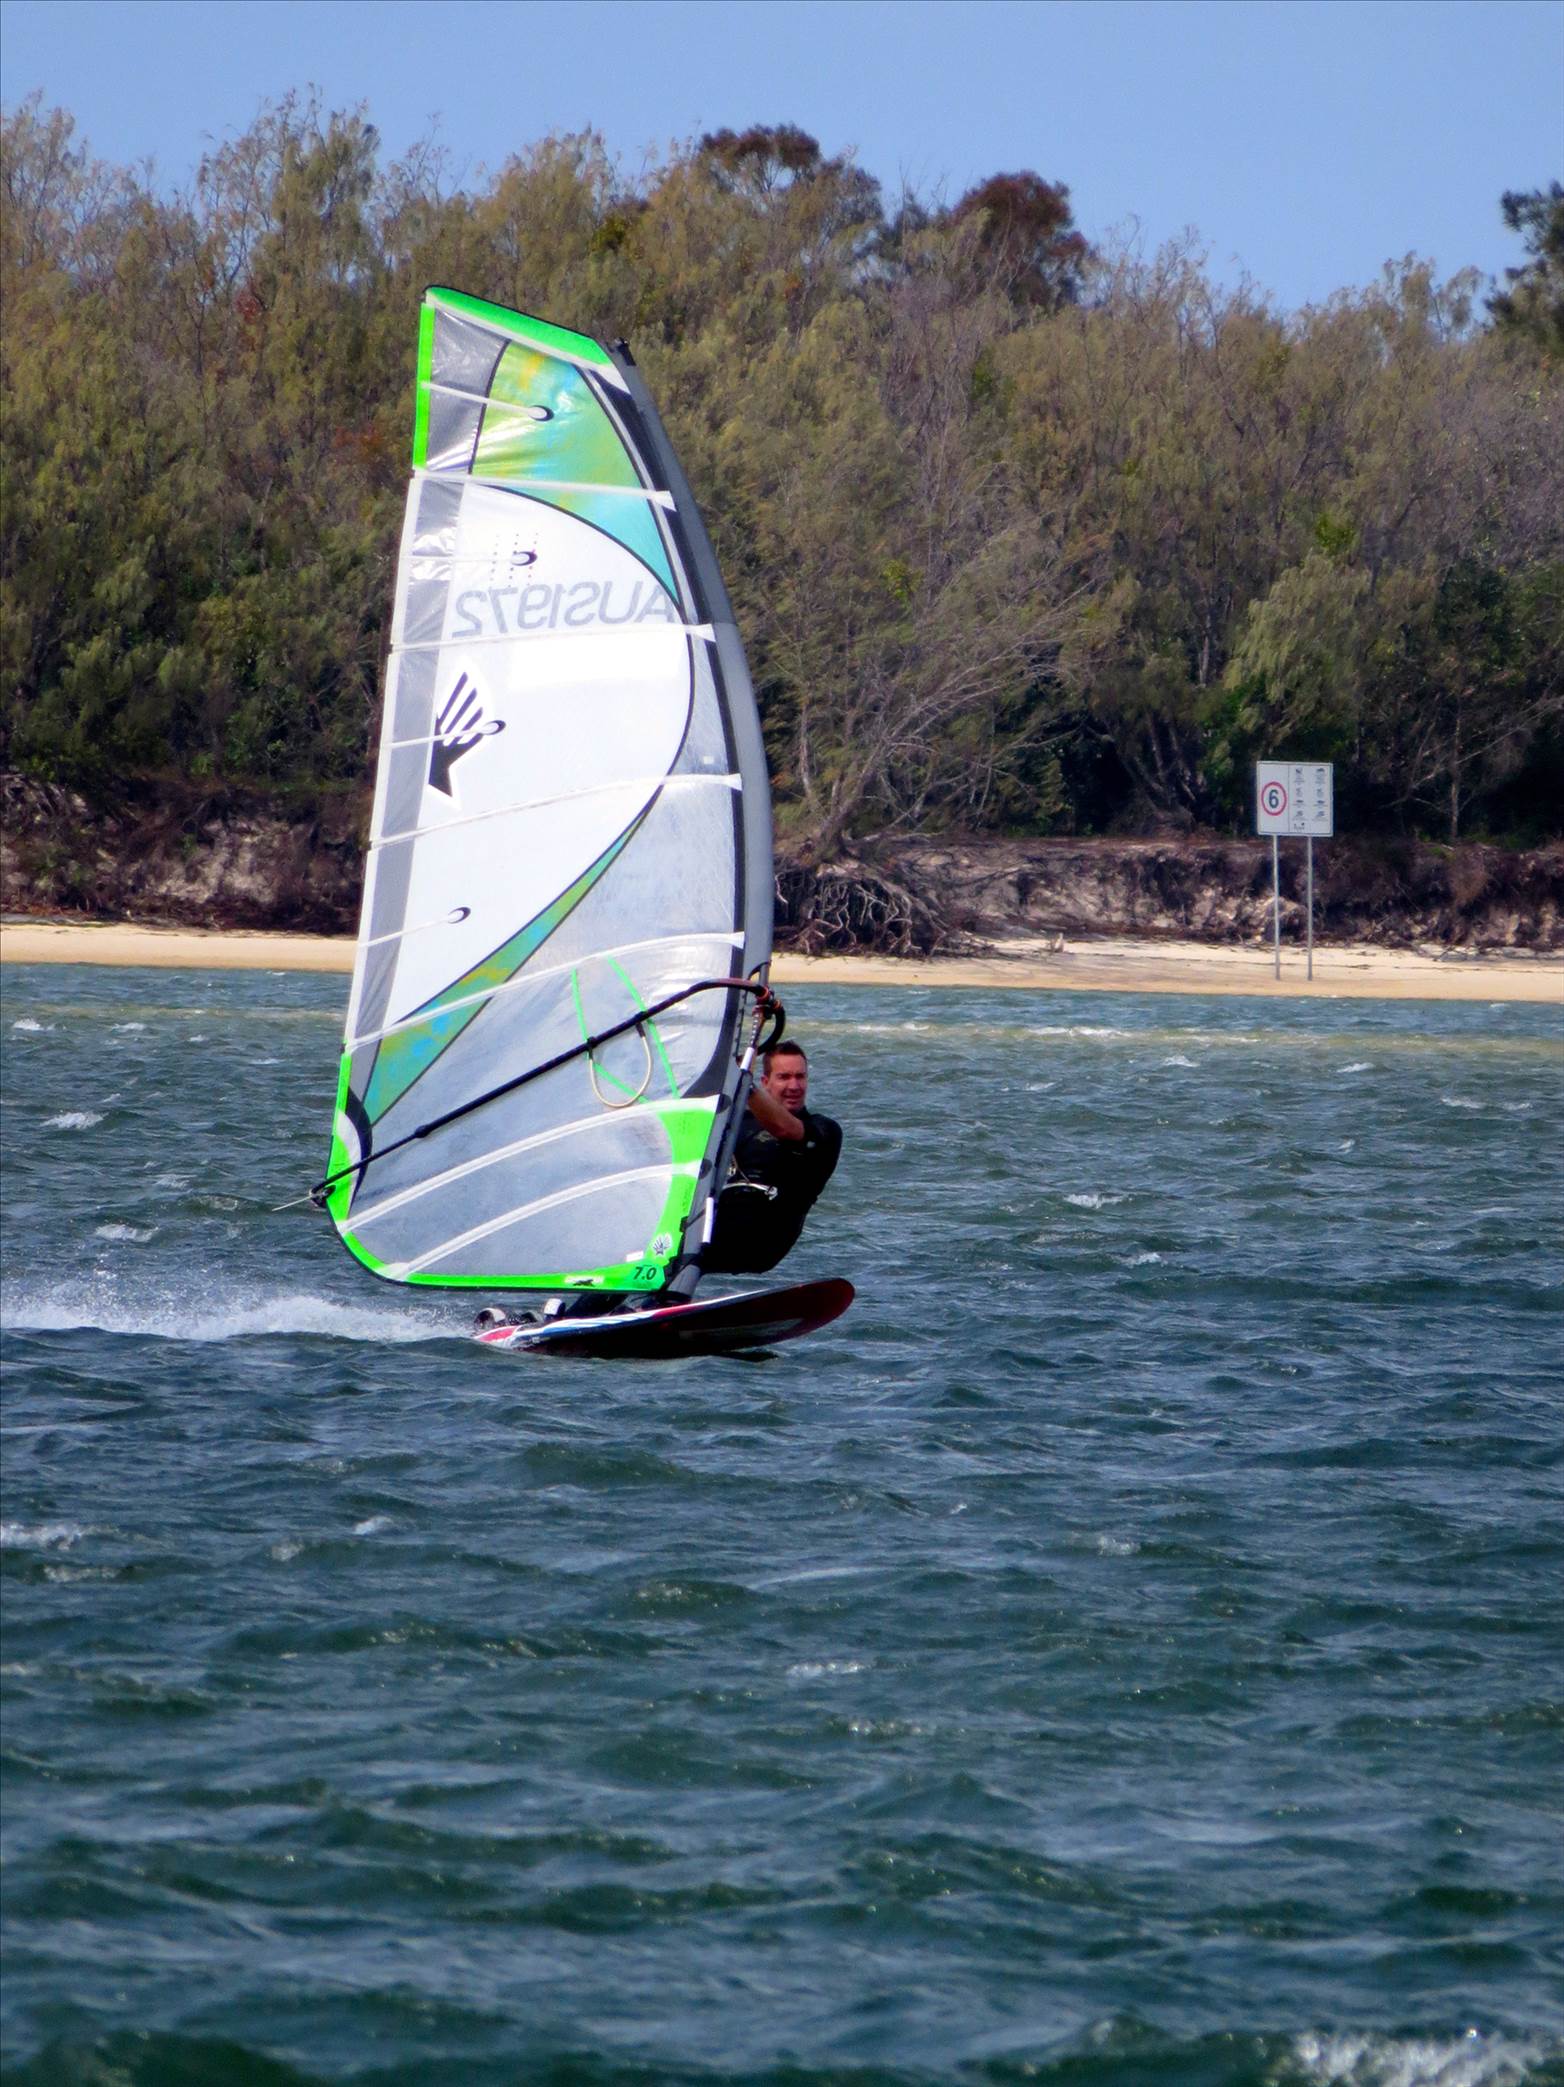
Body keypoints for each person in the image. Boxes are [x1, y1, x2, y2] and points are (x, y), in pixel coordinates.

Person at [703, 1040, 842, 1276]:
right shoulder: (736, 1122)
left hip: (763, 1238)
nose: (794, 1085)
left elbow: (785, 1130)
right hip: (716, 1225)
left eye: (800, 1077)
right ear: (766, 1081)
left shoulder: (823, 1130)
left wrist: (744, 1084)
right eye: (784, 1077)